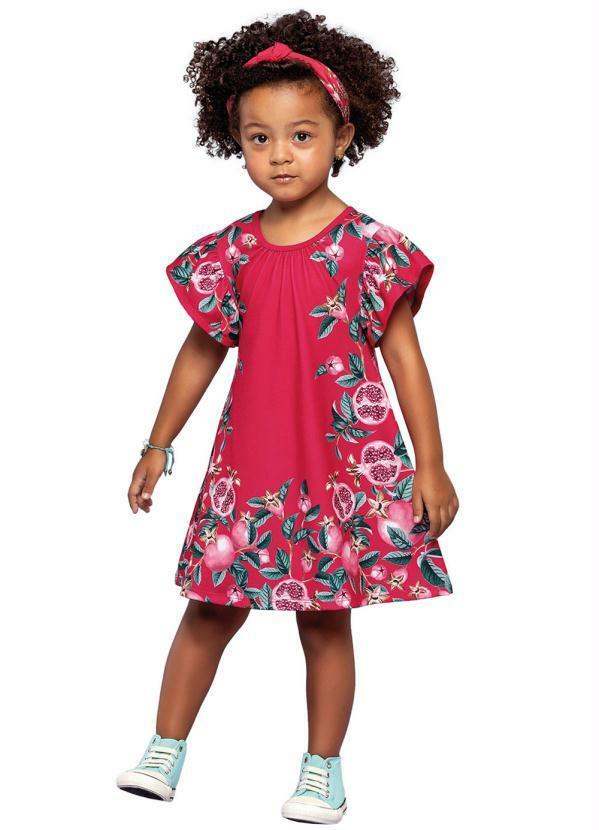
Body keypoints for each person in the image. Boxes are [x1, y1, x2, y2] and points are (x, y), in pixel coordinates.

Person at [116, 10, 459, 824]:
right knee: (209, 605)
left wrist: (431, 463)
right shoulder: (230, 251)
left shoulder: (369, 247)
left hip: (337, 463)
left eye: (301, 136)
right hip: (251, 463)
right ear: (233, 143)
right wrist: (158, 444)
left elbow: (405, 359)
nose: (279, 155)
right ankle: (164, 747)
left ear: (343, 137)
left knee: (324, 618)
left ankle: (320, 769)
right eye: (258, 139)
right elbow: (200, 352)